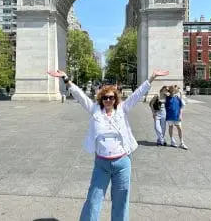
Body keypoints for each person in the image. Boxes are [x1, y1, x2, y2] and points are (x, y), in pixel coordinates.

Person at [48, 69, 169, 221]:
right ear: (101, 99)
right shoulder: (94, 110)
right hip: (102, 163)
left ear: (116, 99)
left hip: (122, 163)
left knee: (121, 200)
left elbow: (137, 94)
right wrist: (66, 79)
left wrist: (151, 78)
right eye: (105, 98)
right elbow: (79, 95)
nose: (108, 100)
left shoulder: (123, 109)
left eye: (111, 97)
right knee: (93, 199)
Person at [165, 85, 188, 150]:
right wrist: (167, 89)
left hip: (177, 115)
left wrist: (180, 115)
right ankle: (172, 141)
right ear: (170, 91)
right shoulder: (167, 98)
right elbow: (162, 92)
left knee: (179, 128)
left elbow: (181, 107)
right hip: (169, 116)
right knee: (170, 127)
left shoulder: (177, 98)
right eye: (171, 90)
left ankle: (181, 142)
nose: (173, 91)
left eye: (173, 90)